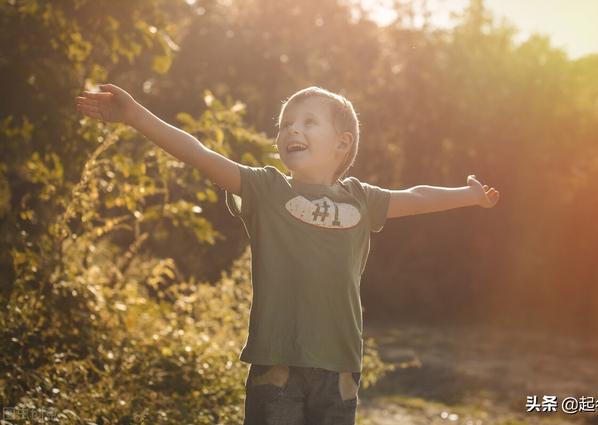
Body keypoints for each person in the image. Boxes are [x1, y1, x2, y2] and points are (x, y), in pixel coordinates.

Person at [76, 84, 500, 425]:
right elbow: (198, 153)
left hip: (339, 372)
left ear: (342, 143)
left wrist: (469, 194)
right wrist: (134, 116)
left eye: (308, 122)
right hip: (275, 369)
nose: (291, 130)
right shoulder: (266, 189)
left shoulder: (361, 200)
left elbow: (416, 195)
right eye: (285, 125)